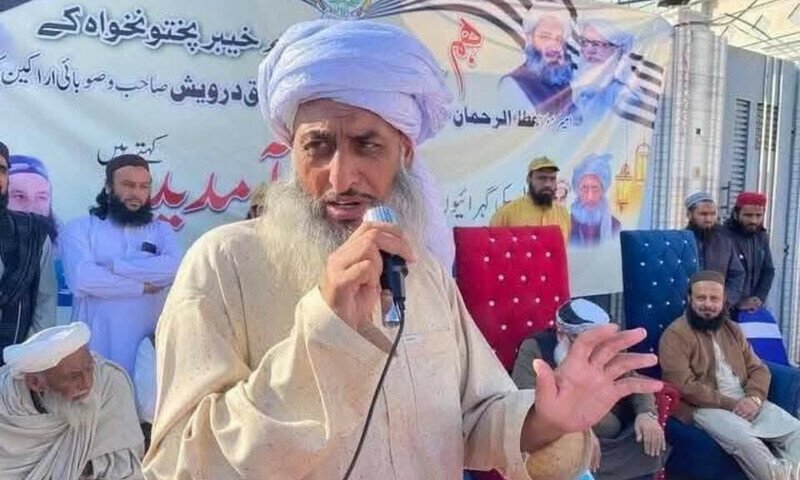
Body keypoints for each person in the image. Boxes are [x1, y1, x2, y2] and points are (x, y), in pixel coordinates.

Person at [143, 20, 661, 480]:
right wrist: (326, 331)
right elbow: (181, 465)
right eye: (318, 146)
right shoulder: (223, 264)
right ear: (290, 151)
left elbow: (474, 417)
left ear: (404, 153)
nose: (341, 178)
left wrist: (547, 420)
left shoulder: (423, 273)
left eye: (367, 145)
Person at [659, 270, 800, 480]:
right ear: (689, 299)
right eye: (701, 298)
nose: (707, 304)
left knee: (796, 431)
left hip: (746, 399)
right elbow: (683, 385)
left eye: (714, 298)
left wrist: (754, 398)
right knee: (746, 443)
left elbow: (758, 368)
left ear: (723, 300)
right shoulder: (675, 334)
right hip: (704, 407)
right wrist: (732, 404)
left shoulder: (732, 329)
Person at [512, 299, 666, 480]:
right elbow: (524, 399)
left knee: (646, 442)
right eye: (587, 342)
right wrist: (580, 432)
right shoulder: (536, 348)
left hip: (613, 433)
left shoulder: (606, 348)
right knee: (572, 455)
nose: (595, 348)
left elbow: (634, 380)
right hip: (561, 433)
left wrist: (647, 414)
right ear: (562, 334)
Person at [61, 154, 182, 379]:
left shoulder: (161, 230)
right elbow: (82, 279)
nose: (136, 193)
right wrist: (142, 287)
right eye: (128, 185)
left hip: (147, 350)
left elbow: (173, 268)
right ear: (108, 187)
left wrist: (117, 266)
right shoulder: (79, 228)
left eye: (144, 187)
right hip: (96, 348)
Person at [0, 322, 144, 479]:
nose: (87, 384)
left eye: (89, 369)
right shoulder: (6, 406)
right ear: (36, 383)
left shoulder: (109, 383)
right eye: (74, 377)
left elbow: (124, 467)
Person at [0, 141, 57, 359]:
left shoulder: (34, 233)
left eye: (2, 170)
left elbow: (45, 304)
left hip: (16, 364)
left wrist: (28, 359)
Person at [7, 153, 74, 325]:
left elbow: (46, 306)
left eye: (41, 197)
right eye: (19, 196)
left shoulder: (60, 249)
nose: (32, 208)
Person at [500, 8, 577, 119]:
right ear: (530, 38)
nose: (554, 47)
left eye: (558, 39)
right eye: (545, 37)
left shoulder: (563, 84)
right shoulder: (513, 83)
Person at [490, 156, 571, 243]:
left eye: (552, 179)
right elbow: (493, 246)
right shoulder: (507, 213)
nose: (547, 184)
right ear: (528, 179)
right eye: (541, 178)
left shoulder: (563, 214)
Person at [684, 192, 745, 307]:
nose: (709, 219)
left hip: (718, 309)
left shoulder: (725, 242)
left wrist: (725, 300)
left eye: (713, 214)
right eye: (703, 214)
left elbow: (737, 274)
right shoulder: (680, 241)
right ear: (689, 215)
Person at [722, 192, 775, 313]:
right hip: (725, 309)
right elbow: (717, 274)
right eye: (748, 215)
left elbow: (768, 270)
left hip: (753, 308)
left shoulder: (761, 236)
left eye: (758, 215)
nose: (754, 221)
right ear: (736, 214)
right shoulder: (722, 236)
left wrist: (758, 298)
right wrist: (736, 303)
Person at [573, 19, 633, 125]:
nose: (588, 50)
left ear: (619, 50)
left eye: (597, 44)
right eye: (584, 42)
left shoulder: (624, 97)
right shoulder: (574, 92)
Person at [570, 153, 620, 246]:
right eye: (584, 188)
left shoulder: (615, 226)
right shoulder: (566, 223)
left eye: (595, 188)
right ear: (577, 190)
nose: (590, 196)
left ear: (603, 191)